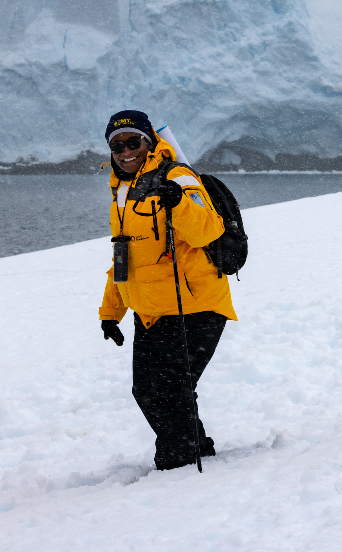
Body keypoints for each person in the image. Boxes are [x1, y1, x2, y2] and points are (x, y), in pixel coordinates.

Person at [98, 109, 238, 469]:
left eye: (133, 141)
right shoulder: (122, 190)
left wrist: (178, 204)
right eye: (117, 145)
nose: (125, 151)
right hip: (150, 310)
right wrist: (111, 313)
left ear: (149, 142)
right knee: (147, 392)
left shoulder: (178, 177)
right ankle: (195, 449)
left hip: (195, 305)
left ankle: (179, 464)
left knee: (170, 391)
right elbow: (124, 257)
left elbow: (208, 231)